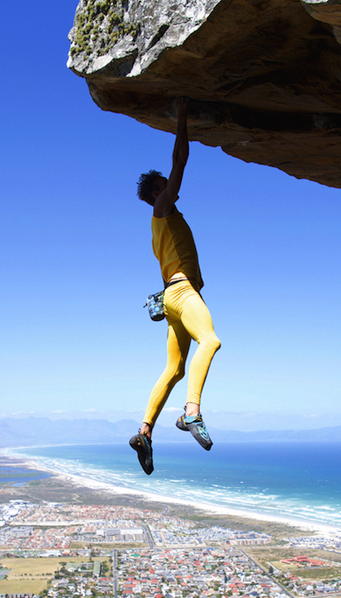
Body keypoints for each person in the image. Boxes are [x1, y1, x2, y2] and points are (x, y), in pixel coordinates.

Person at [130, 97, 221, 475]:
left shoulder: (158, 228)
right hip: (183, 294)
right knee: (211, 341)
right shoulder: (162, 208)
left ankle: (145, 432)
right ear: (156, 192)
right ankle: (191, 414)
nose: (171, 185)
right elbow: (179, 162)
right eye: (163, 185)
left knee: (174, 368)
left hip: (171, 296)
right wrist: (182, 118)